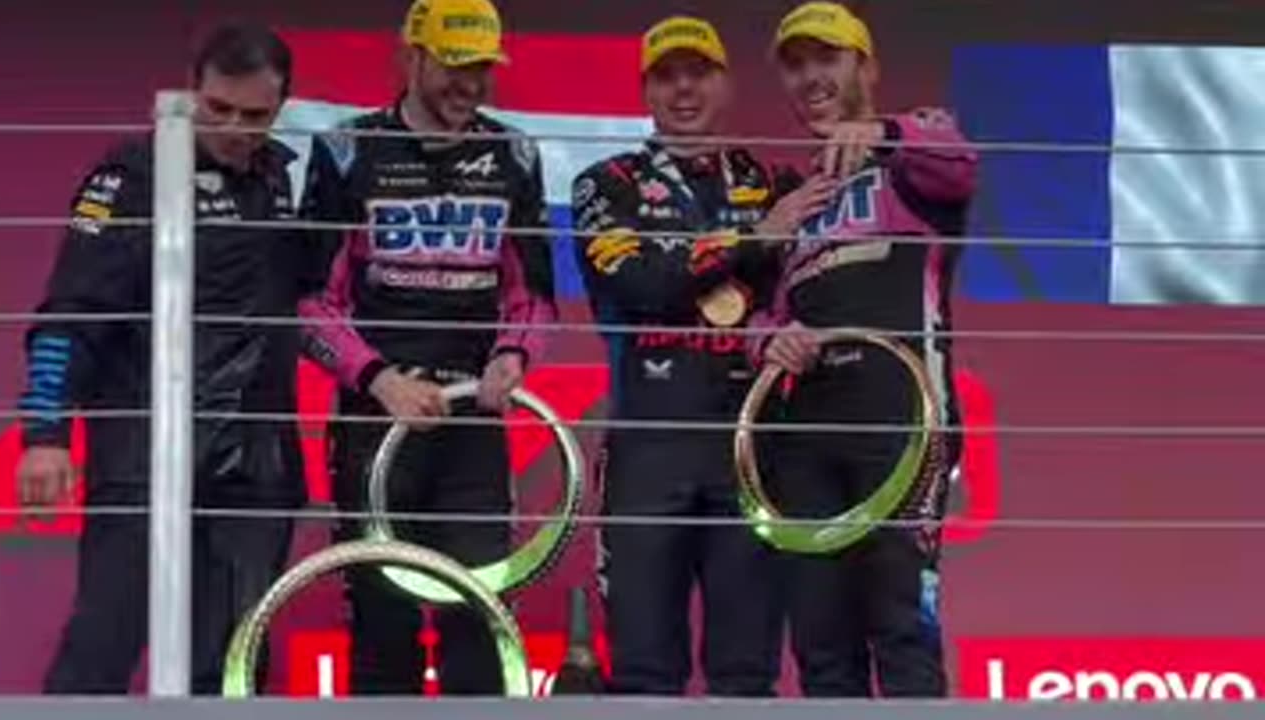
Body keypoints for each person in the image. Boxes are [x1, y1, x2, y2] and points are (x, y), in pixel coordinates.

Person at [15, 22, 321, 694]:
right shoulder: (131, 176)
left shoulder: (287, 182)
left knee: (233, 671)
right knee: (101, 651)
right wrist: (44, 434)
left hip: (256, 468)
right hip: (143, 459)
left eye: (255, 115)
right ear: (191, 92)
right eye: (219, 109)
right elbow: (70, 311)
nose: (235, 128)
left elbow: (306, 312)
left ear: (282, 107)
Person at [571, 16, 836, 696]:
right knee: (642, 670)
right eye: (666, 76)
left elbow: (793, 298)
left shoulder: (771, 182)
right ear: (645, 92)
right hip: (647, 451)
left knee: (746, 671)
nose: (683, 90)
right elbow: (639, 284)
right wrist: (752, 240)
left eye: (698, 73)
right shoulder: (606, 184)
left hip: (748, 448)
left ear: (726, 83)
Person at [297, 0, 555, 695]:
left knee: (479, 610)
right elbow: (307, 305)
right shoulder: (346, 150)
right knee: (382, 623)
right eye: (452, 65)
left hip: (472, 422)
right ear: (410, 57)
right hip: (374, 420)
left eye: (480, 69)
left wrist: (512, 358)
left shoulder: (514, 153)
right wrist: (379, 380)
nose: (468, 84)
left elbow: (534, 296)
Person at [753, 2, 979, 698]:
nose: (810, 77)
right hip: (806, 439)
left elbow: (960, 167)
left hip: (903, 426)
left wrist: (882, 130)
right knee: (822, 648)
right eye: (795, 65)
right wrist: (772, 339)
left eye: (828, 58)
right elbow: (763, 313)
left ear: (868, 67)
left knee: (902, 630)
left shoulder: (912, 150)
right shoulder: (792, 195)